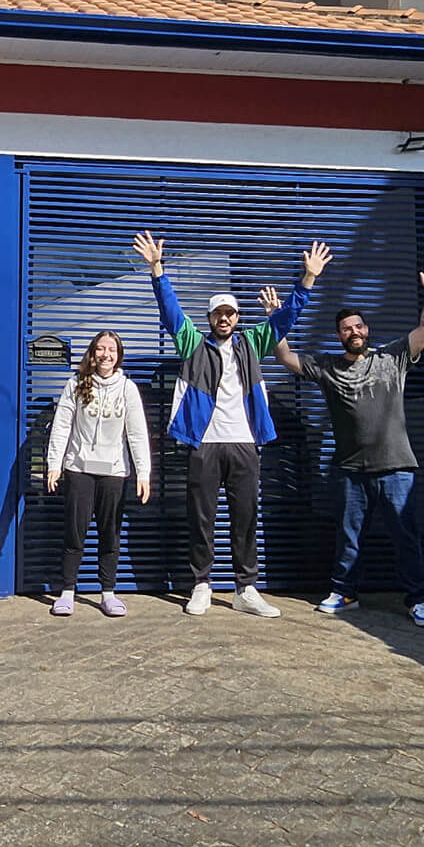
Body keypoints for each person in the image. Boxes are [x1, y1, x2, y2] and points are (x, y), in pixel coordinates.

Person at [132, 233, 330, 617]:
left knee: (245, 517)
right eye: (218, 313)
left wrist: (308, 279)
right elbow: (169, 309)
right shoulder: (192, 343)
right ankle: (201, 585)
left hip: (243, 444)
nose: (224, 318)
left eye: (230, 313)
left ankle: (246, 589)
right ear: (210, 318)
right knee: (201, 517)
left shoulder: (253, 342)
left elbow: (287, 316)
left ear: (237, 318)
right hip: (203, 444)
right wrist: (156, 269)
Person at [273, 257, 424, 628]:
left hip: (397, 468)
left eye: (358, 325)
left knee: (406, 538)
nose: (354, 331)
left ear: (366, 329)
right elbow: (284, 357)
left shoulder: (392, 357)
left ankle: (418, 599)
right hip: (351, 471)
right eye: (346, 328)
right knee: (349, 537)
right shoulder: (328, 367)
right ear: (339, 336)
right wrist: (277, 319)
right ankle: (344, 593)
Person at [44, 330, 151, 618]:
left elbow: (137, 434)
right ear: (92, 353)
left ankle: (108, 593)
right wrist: (54, 464)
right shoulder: (76, 384)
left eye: (112, 350)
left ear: (119, 356)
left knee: (110, 534)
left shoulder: (128, 389)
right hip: (78, 469)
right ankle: (67, 592)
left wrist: (143, 473)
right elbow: (61, 427)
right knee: (74, 533)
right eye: (101, 349)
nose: (106, 355)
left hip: (114, 472)